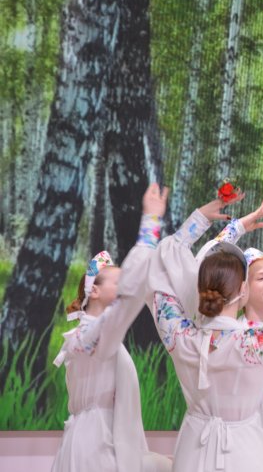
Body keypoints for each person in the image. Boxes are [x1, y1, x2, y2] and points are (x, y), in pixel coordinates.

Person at [148, 190, 263, 471]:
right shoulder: (257, 343)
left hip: (192, 452)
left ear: (201, 288)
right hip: (244, 452)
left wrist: (198, 221)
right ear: (244, 289)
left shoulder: (180, 336)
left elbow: (161, 276)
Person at [51, 183, 172, 472]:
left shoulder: (95, 334)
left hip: (98, 438)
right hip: (95, 445)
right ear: (94, 291)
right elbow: (130, 294)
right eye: (118, 281)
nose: (126, 285)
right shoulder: (88, 336)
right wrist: (150, 223)